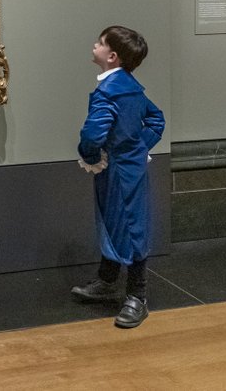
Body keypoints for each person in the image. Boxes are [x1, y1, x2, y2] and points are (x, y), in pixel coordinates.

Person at [72, 25, 165, 329]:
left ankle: (137, 297)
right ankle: (107, 279)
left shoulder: (109, 92)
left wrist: (90, 155)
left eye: (99, 43)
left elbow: (92, 133)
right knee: (117, 223)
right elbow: (156, 119)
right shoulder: (130, 86)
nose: (94, 46)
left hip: (117, 172)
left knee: (129, 226)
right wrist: (139, 147)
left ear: (111, 56)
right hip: (127, 167)